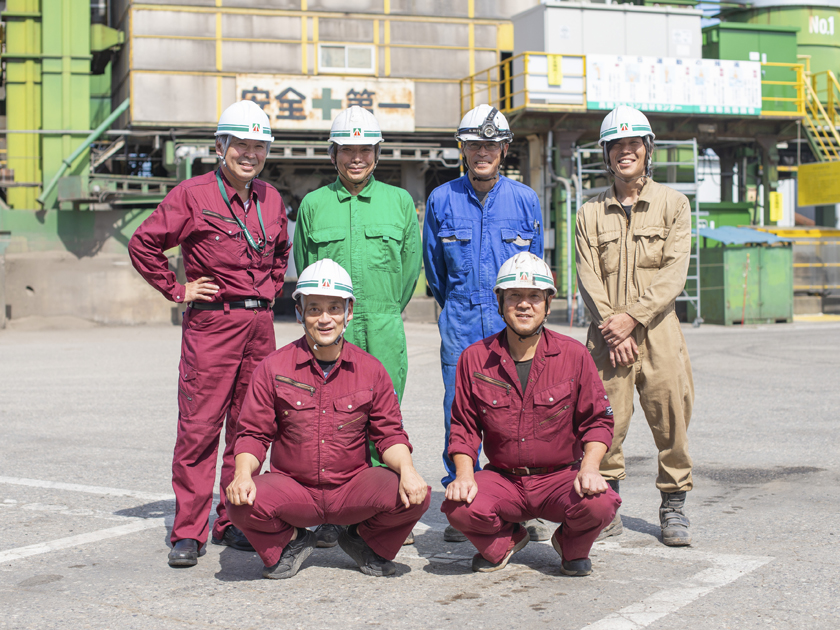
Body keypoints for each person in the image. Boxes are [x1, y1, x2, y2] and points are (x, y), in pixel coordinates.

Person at [128, 100, 290, 567]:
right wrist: (177, 289)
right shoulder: (193, 194)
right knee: (200, 429)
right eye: (240, 144)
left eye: (258, 146)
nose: (249, 153)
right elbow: (144, 244)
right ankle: (189, 533)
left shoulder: (272, 199)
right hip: (212, 325)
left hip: (260, 326)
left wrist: (265, 293)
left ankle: (233, 520)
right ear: (220, 146)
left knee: (250, 426)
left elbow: (280, 253)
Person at [225, 259, 430, 579]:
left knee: (416, 495)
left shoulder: (371, 370)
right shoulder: (273, 368)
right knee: (238, 502)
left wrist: (408, 471)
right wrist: (241, 474)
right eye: (314, 308)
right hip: (294, 489)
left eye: (334, 308)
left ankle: (364, 541)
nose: (324, 318)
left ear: (349, 311)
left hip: (352, 489)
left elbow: (389, 434)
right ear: (299, 312)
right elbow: (254, 433)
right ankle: (291, 541)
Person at [441, 253, 619, 576]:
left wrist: (591, 468)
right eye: (515, 296)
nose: (524, 305)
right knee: (457, 506)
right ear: (500, 301)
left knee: (601, 502)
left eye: (534, 297)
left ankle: (571, 546)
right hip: (504, 479)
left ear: (548, 304)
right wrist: (464, 475)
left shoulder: (574, 355)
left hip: (559, 479)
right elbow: (464, 429)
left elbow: (598, 421)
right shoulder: (474, 360)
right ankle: (505, 540)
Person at [293, 105, 422, 547]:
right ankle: (335, 512)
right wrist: (330, 317)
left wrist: (383, 310)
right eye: (347, 149)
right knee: (332, 423)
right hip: (331, 326)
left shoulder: (400, 202)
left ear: (377, 153)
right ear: (333, 153)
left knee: (385, 421)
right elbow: (305, 269)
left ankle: (382, 514)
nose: (356, 158)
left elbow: (410, 270)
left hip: (384, 322)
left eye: (364, 149)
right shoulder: (313, 205)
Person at [423, 104, 546, 542]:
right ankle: (464, 497)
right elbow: (434, 271)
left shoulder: (525, 200)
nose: (482, 152)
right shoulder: (442, 199)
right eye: (474, 144)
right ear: (463, 148)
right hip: (459, 314)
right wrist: (459, 303)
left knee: (517, 410)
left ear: (505, 149)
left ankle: (517, 499)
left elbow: (535, 265)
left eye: (490, 145)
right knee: (458, 408)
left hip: (510, 319)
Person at [575, 105, 694, 547]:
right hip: (606, 334)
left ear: (647, 150)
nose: (626, 152)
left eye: (633, 144)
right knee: (605, 422)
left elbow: (673, 273)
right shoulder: (590, 213)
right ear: (606, 154)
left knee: (671, 417)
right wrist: (613, 327)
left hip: (659, 331)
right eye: (617, 146)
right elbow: (587, 276)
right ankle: (608, 505)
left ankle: (674, 504)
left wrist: (631, 320)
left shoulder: (673, 205)